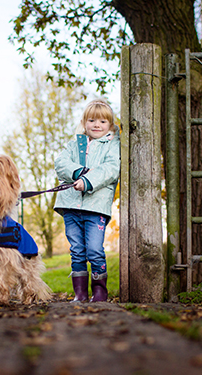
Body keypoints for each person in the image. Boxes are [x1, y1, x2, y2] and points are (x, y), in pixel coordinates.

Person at [54, 99, 120, 302]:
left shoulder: (112, 145)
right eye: (92, 120)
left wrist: (88, 180)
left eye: (102, 121)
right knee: (77, 250)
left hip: (96, 207)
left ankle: (100, 291)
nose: (97, 125)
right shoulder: (74, 144)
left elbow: (110, 169)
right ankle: (80, 293)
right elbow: (61, 163)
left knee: (94, 249)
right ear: (84, 122)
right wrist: (79, 172)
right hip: (70, 205)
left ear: (110, 125)